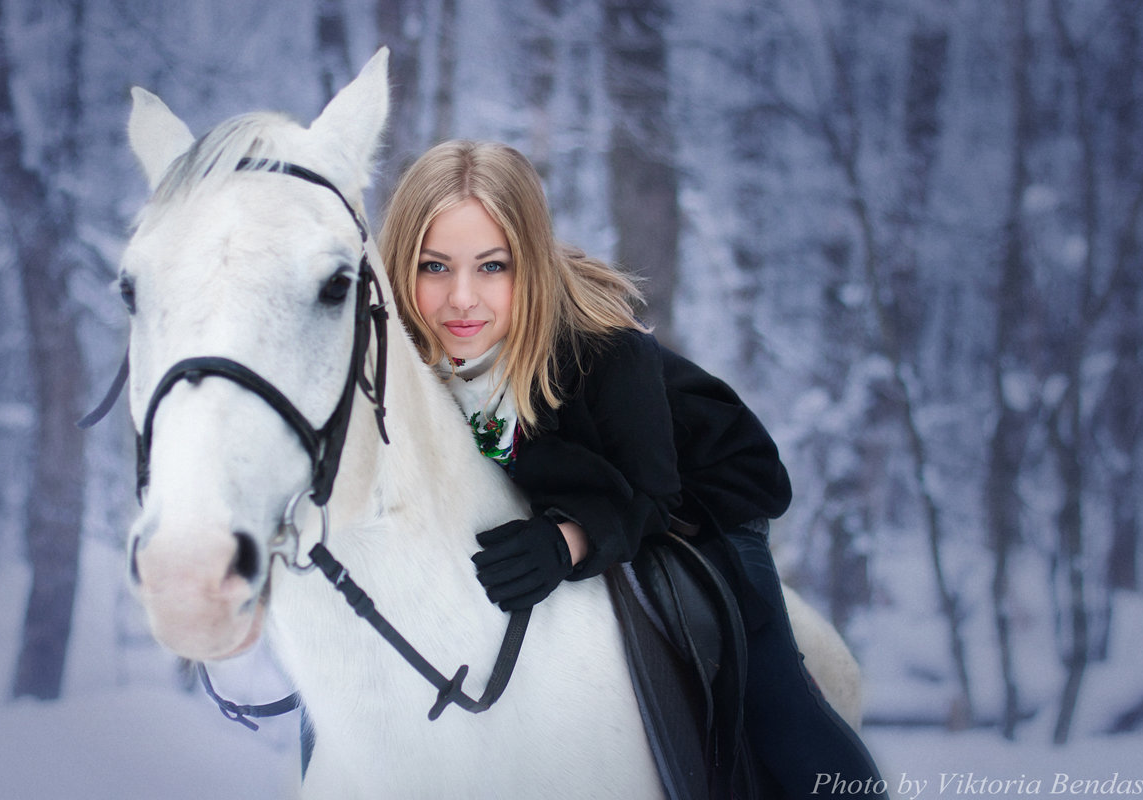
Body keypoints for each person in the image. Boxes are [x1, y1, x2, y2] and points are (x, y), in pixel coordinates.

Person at [378, 139, 887, 798]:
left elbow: (649, 494)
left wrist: (567, 540)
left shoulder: (604, 352)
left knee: (773, 704)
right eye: (435, 267)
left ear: (528, 264)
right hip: (590, 493)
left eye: (493, 266)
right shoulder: (394, 354)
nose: (461, 300)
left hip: (698, 500)